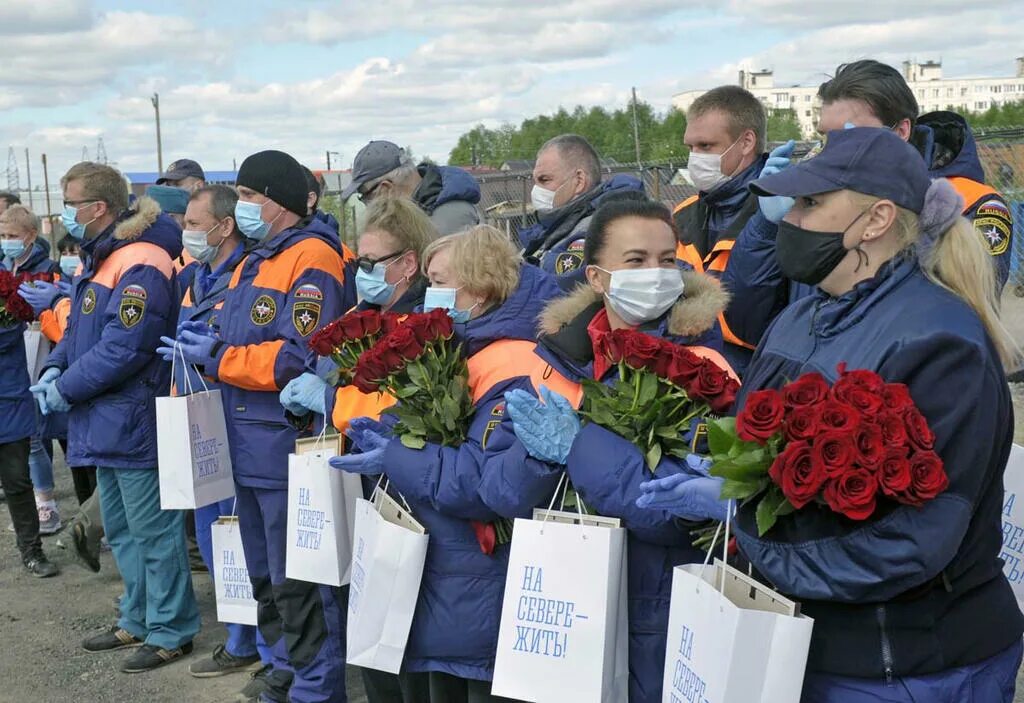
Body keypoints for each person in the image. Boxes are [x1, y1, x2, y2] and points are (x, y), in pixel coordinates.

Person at [641, 127, 1024, 702]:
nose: (787, 219)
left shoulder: (938, 341)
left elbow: (911, 543)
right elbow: (763, 441)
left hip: (912, 664)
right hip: (813, 647)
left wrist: (744, 520)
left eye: (810, 203)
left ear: (875, 220)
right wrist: (731, 474)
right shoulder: (803, 315)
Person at [500, 197, 735, 702]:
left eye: (667, 260)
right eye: (636, 261)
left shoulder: (704, 367)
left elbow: (681, 515)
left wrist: (580, 447)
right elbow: (507, 494)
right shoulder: (554, 360)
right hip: (567, 604)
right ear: (598, 277)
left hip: (664, 610)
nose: (656, 273)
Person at [332, 225, 566, 703]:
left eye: (439, 280)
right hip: (457, 576)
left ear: (479, 288)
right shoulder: (465, 344)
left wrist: (397, 456)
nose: (427, 294)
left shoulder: (512, 360)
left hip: (480, 576)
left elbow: (490, 484)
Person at [160, 150, 356, 703]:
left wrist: (218, 357)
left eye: (250, 197)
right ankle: (287, 672)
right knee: (265, 576)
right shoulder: (254, 259)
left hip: (281, 444)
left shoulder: (312, 256)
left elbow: (298, 356)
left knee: (301, 582)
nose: (242, 206)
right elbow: (233, 330)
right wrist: (204, 347)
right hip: (243, 440)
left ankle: (317, 688)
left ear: (284, 202)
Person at [34, 161, 198, 671]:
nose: (64, 214)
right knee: (123, 528)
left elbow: (127, 347)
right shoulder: (104, 256)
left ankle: (171, 628)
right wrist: (55, 367)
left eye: (70, 203)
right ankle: (138, 618)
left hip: (133, 415)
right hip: (106, 414)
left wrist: (67, 386)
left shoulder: (141, 260)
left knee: (153, 529)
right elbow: (82, 329)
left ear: (97, 207)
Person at [279, 196, 438, 703]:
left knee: (402, 629)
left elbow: (401, 404)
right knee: (366, 616)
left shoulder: (427, 317)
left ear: (408, 263)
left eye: (371, 263)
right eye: (358, 262)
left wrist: (328, 397)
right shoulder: (364, 311)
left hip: (404, 487)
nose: (361, 273)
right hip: (359, 483)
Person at [155, 184, 268, 686]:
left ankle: (262, 646)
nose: (187, 233)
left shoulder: (247, 277)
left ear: (225, 227)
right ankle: (238, 637)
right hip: (198, 418)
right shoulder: (196, 276)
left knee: (243, 537)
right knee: (211, 531)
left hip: (235, 420)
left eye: (195, 224)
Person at [816, 60, 1014, 291]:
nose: (832, 151)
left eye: (848, 136)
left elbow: (971, 301)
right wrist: (773, 229)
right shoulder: (825, 192)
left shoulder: (973, 202)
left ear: (900, 132)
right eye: (825, 138)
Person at [674, 85, 790, 374]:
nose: (694, 158)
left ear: (746, 141)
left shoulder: (783, 211)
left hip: (757, 370)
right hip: (691, 364)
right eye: (690, 147)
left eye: (706, 146)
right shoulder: (683, 213)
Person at [3, 204, 64, 534]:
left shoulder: (47, 270)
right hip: (14, 360)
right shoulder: (4, 268)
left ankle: (48, 505)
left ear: (30, 236)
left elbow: (55, 312)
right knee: (29, 437)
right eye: (2, 235)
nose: (7, 241)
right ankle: (42, 502)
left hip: (43, 353)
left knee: (41, 433)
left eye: (13, 235)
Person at [517, 134, 645, 285]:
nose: (536, 190)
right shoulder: (556, 227)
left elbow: (558, 288)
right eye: (536, 182)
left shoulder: (599, 228)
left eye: (544, 180)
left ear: (579, 181)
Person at [341, 140, 481, 235]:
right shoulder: (418, 212)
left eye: (366, 197)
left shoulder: (447, 219)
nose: (367, 206)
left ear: (386, 189)